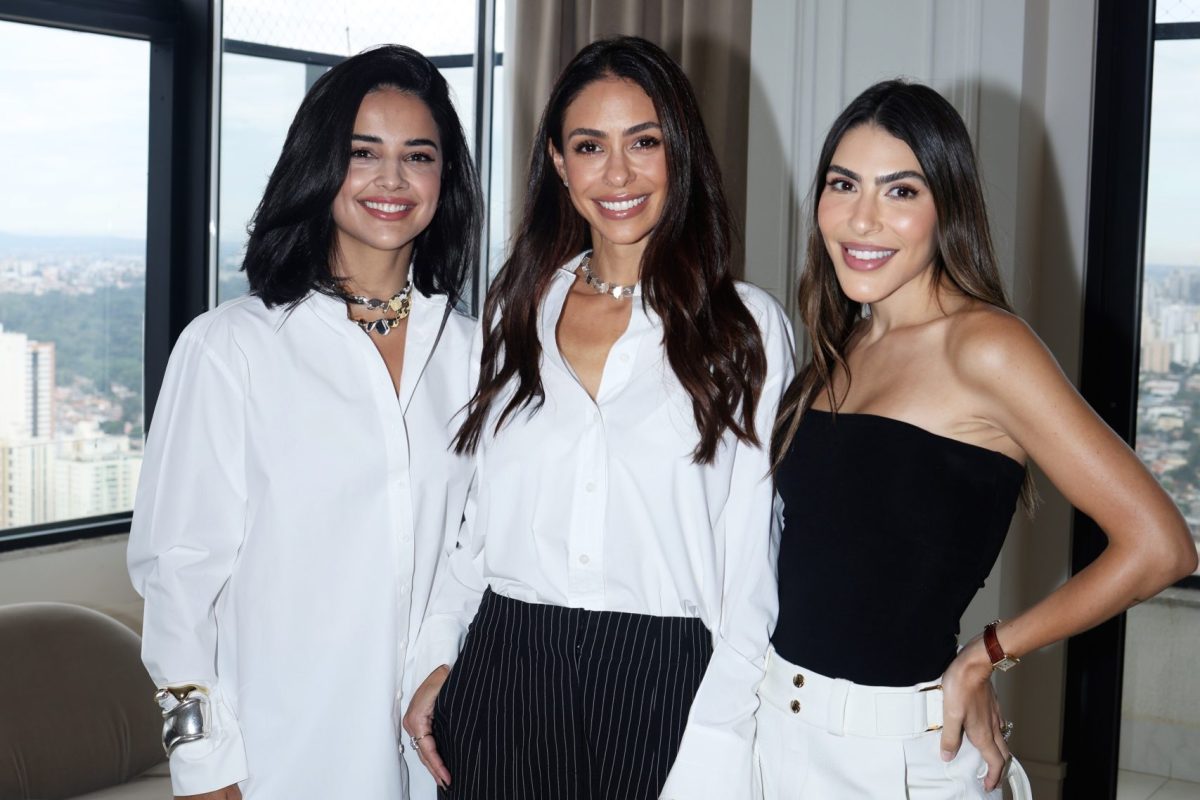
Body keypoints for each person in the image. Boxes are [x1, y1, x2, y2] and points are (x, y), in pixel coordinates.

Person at [757, 79, 1198, 799]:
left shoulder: (986, 346)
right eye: (844, 185)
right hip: (777, 733)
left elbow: (1160, 545)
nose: (862, 220)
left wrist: (988, 654)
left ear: (946, 208)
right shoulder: (838, 349)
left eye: (900, 192)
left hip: (898, 756)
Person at [400, 35, 794, 800]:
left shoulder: (745, 329)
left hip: (669, 683)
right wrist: (435, 661)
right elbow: (475, 530)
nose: (618, 174)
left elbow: (753, 571)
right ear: (557, 161)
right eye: (590, 146)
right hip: (504, 670)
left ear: (679, 151)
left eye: (643, 142)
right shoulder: (515, 311)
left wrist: (719, 746)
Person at [127, 44, 482, 800]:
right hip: (277, 760)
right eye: (363, 154)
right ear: (321, 166)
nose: (392, 179)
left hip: (436, 755)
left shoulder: (476, 355)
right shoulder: (233, 348)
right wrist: (201, 765)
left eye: (418, 155)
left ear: (444, 177)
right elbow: (179, 574)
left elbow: (475, 553)